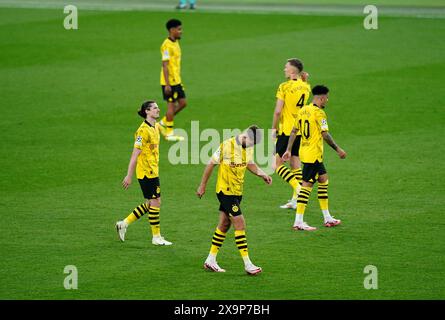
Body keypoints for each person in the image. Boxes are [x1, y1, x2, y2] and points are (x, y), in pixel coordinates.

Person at [196, 126, 272, 275]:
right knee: (240, 223)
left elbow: (249, 163)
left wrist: (262, 174)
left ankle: (210, 260)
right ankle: (248, 264)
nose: (251, 146)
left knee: (224, 225)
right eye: (251, 143)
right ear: (245, 136)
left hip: (237, 192)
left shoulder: (248, 146)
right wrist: (202, 185)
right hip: (226, 191)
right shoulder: (227, 145)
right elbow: (211, 163)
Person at [283, 85, 346, 231]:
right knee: (306, 187)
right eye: (327, 98)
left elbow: (294, 131)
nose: (327, 101)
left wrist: (288, 149)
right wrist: (338, 149)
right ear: (322, 97)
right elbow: (325, 134)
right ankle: (298, 221)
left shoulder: (303, 110)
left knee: (323, 179)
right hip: (313, 156)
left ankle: (327, 217)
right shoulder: (319, 113)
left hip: (306, 152)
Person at [115, 101, 172, 245]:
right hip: (146, 172)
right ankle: (156, 237)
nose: (158, 109)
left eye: (158, 107)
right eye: (154, 108)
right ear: (147, 112)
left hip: (153, 170)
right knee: (156, 202)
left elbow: (163, 133)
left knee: (151, 203)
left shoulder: (155, 126)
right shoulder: (142, 131)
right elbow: (135, 155)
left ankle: (123, 224)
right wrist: (129, 175)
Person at [272, 58, 310, 210]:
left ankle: (299, 190)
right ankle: (295, 200)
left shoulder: (284, 87)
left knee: (276, 164)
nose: (284, 70)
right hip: (299, 130)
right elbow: (303, 80)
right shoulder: (307, 87)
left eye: (286, 67)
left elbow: (278, 111)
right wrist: (304, 78)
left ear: (293, 71)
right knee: (295, 163)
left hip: (287, 130)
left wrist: (273, 128)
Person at [159, 19, 186, 142]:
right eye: (179, 29)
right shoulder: (166, 45)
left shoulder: (175, 42)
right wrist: (168, 85)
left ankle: (162, 123)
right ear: (172, 30)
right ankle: (169, 133)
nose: (181, 31)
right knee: (171, 106)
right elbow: (164, 65)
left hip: (177, 80)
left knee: (182, 103)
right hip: (169, 82)